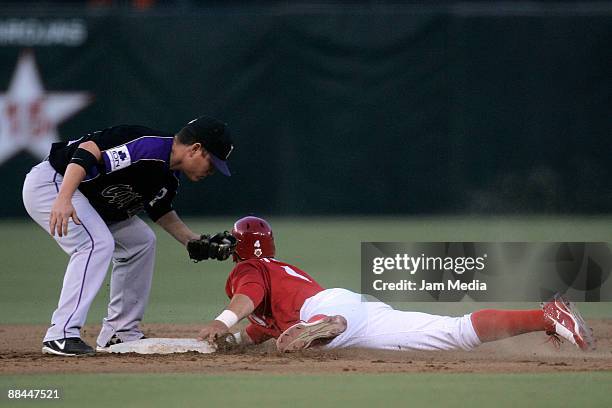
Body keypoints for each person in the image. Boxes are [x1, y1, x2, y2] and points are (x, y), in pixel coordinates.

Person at [197, 216, 595, 353]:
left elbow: (247, 298)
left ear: (241, 248)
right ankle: (546, 316)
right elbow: (256, 332)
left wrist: (220, 322)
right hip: (354, 310)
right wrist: (230, 342)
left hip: (323, 310)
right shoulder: (283, 273)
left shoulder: (252, 268)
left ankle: (323, 327)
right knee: (453, 332)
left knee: (313, 326)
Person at [23, 116, 236, 356]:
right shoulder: (149, 147)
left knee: (141, 242)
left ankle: (119, 332)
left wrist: (191, 240)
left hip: (88, 201)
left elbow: (160, 209)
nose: (212, 171)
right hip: (55, 182)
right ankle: (61, 334)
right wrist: (63, 198)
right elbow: (88, 150)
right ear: (196, 149)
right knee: (95, 244)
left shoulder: (169, 176)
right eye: (212, 162)